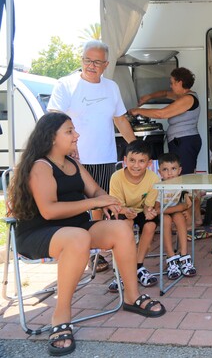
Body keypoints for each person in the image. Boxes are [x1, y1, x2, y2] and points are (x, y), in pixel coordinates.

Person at [8, 112, 165, 357]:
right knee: (78, 237)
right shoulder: (40, 166)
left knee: (121, 229)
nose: (76, 135)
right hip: (40, 232)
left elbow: (95, 190)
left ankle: (131, 296)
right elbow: (49, 211)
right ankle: (61, 315)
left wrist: (110, 201)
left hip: (77, 228)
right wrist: (94, 203)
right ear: (51, 137)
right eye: (69, 131)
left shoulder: (73, 163)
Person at [47, 40, 137, 273]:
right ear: (81, 60)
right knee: (76, 206)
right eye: (87, 60)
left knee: (101, 204)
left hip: (105, 156)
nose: (91, 65)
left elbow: (120, 119)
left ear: (106, 64)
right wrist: (64, 147)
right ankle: (76, 249)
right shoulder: (65, 84)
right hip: (72, 159)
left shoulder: (111, 87)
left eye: (97, 62)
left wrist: (136, 147)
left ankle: (97, 251)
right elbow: (53, 119)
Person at [108, 140, 161, 291]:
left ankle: (138, 266)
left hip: (140, 210)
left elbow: (148, 205)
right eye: (132, 160)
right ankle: (121, 271)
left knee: (150, 225)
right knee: (126, 226)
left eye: (141, 161)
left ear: (149, 163)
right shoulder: (116, 177)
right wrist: (126, 211)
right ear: (125, 160)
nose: (136, 165)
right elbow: (116, 205)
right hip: (121, 210)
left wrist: (148, 211)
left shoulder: (153, 178)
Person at [131, 67, 201, 175]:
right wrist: (148, 97)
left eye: (172, 83)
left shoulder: (188, 99)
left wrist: (138, 111)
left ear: (180, 82)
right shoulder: (182, 96)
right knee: (180, 174)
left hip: (185, 142)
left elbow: (162, 114)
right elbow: (164, 93)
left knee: (185, 175)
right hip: (181, 141)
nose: (170, 86)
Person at [157, 153, 197, 279]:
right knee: (166, 219)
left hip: (173, 211)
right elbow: (158, 210)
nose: (170, 173)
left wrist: (186, 209)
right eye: (165, 169)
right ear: (160, 172)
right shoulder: (159, 187)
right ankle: (171, 257)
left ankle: (184, 254)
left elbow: (189, 202)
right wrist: (180, 207)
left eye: (173, 169)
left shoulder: (182, 184)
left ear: (179, 170)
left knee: (179, 217)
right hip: (162, 214)